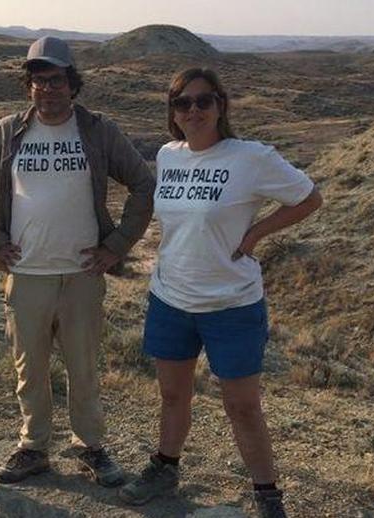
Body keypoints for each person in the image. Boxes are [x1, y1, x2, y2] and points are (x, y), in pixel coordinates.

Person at [117, 68, 322, 516]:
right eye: (182, 103)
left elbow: (309, 197)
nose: (193, 110)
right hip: (170, 296)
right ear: (172, 111)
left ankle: (267, 495)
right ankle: (165, 466)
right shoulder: (168, 155)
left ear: (220, 105)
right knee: (173, 396)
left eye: (202, 101)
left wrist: (255, 235)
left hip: (231, 304)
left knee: (243, 407)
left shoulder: (250, 157)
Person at [0, 37, 155, 487]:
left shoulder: (98, 130)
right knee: (31, 368)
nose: (48, 89)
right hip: (26, 274)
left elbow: (143, 185)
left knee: (83, 364)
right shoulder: (7, 131)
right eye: (38, 80)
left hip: (82, 273)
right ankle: (33, 448)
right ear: (28, 86)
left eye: (57, 79)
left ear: (73, 83)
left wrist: (118, 244)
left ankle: (91, 446)